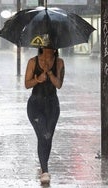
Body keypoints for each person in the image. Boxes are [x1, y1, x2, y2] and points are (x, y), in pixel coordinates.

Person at [25, 47, 65, 184]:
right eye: (47, 46)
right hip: (35, 105)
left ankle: (44, 168)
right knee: (43, 134)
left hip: (52, 106)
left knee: (48, 136)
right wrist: (38, 79)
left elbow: (58, 85)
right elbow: (26, 84)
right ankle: (45, 170)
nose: (49, 49)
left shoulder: (59, 62)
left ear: (55, 49)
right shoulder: (33, 62)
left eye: (52, 47)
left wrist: (49, 73)